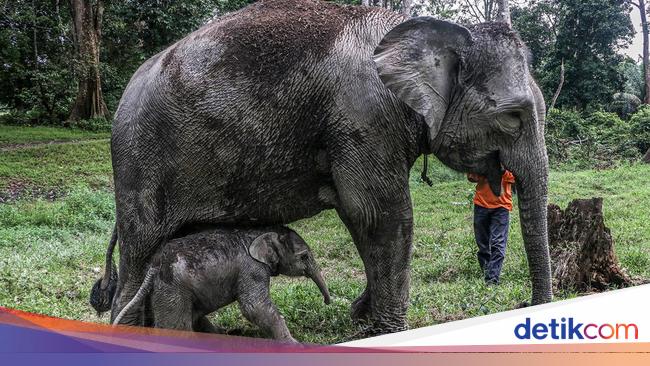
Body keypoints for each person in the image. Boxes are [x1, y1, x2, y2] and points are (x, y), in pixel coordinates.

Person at [467, 170, 515, 285]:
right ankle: (486, 270)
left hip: (501, 207)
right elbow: (471, 177)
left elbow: (513, 178)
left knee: (498, 243)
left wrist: (500, 170)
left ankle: (492, 279)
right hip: (480, 204)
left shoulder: (507, 159)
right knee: (482, 243)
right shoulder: (484, 155)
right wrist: (479, 173)